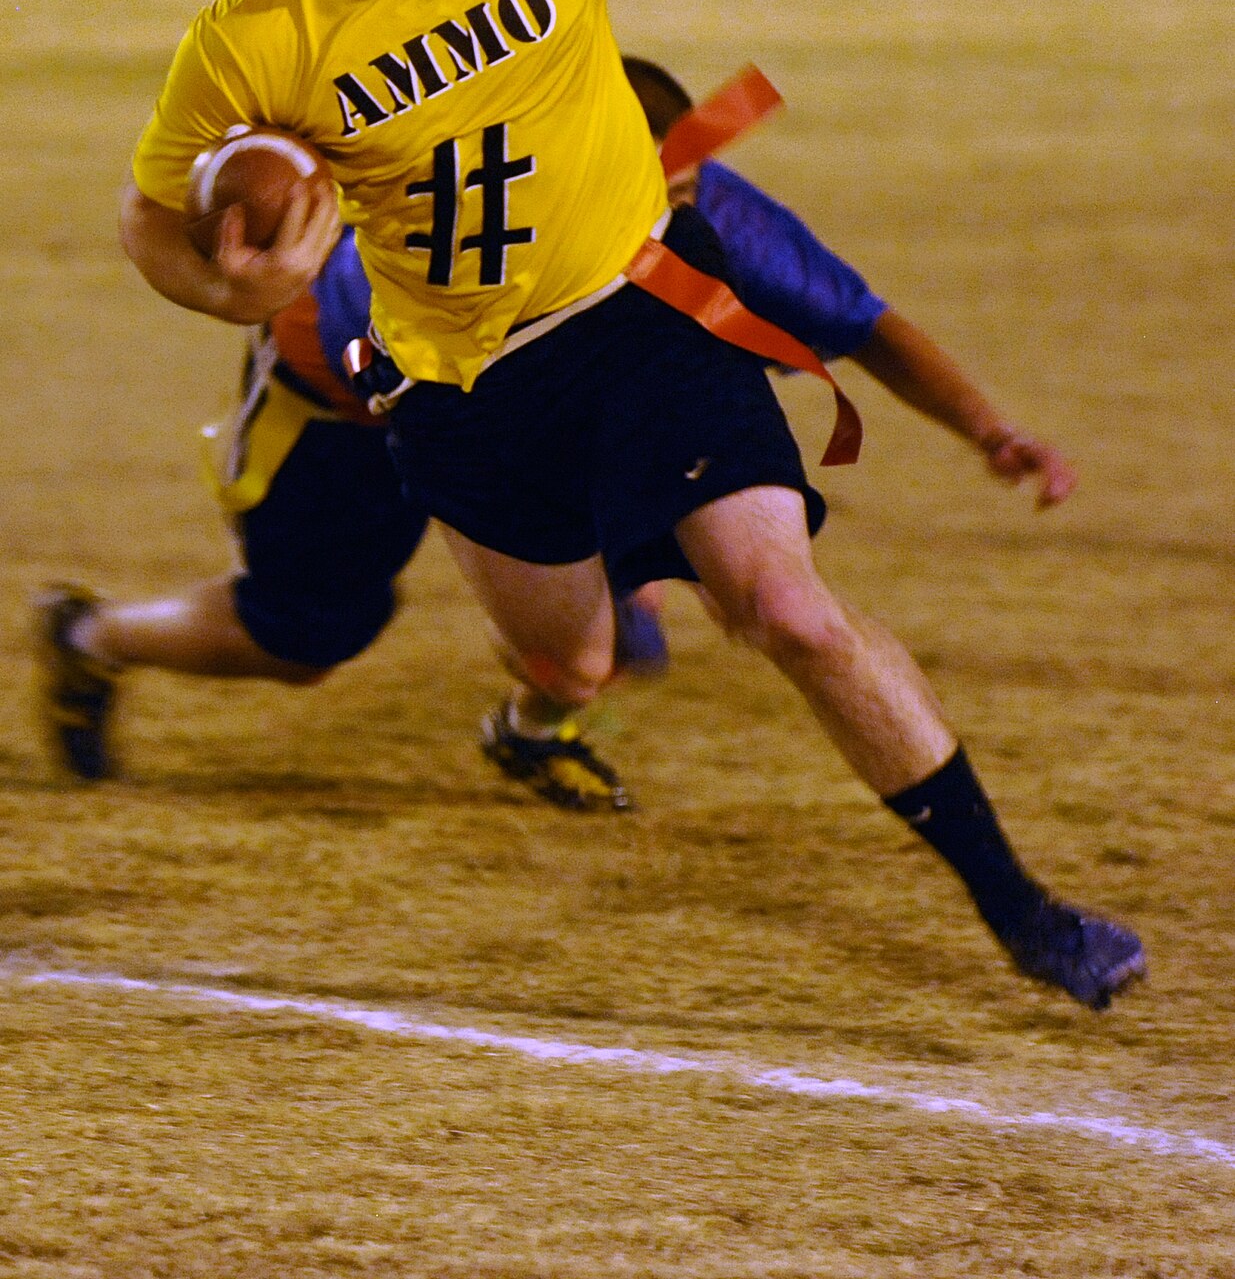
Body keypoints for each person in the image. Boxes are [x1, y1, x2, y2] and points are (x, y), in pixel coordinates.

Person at [97, 0, 1142, 1008]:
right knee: (573, 664)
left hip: (639, 317)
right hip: (463, 392)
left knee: (782, 608)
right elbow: (147, 221)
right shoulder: (253, 35)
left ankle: (1022, 910)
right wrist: (227, 287)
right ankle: (532, 725)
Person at [41, 56, 1076, 817]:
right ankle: (87, 638)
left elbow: (858, 320)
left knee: (587, 640)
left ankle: (531, 732)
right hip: (352, 408)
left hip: (501, 411)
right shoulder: (442, 229)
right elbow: (433, 399)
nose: (658, 222)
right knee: (305, 636)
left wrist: (987, 425)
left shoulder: (693, 199)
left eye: (668, 199)